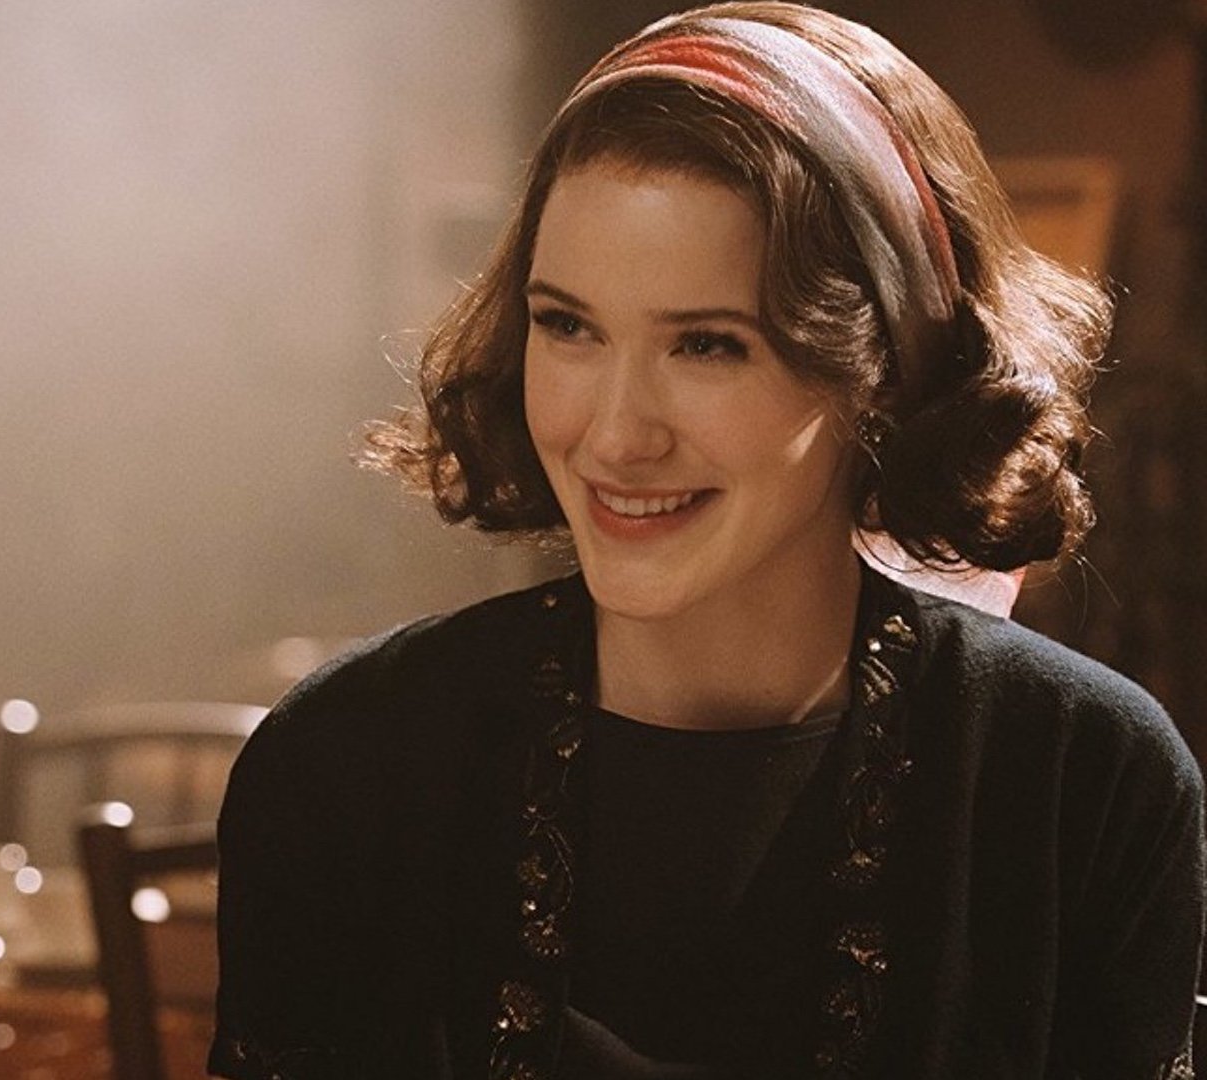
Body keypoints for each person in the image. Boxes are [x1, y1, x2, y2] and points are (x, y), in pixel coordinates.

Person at [207, 4, 1206, 1079]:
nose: (615, 434)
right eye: (568, 326)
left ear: (882, 369)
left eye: (709, 345)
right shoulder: (350, 762)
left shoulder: (1083, 780)